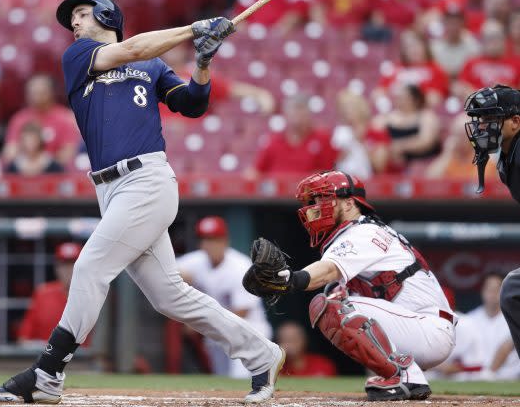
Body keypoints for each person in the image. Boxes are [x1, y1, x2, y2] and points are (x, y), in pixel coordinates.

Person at [0, 0, 285, 404]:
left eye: (81, 13)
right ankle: (260, 354)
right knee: (170, 296)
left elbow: (192, 105)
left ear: (107, 14)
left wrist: (202, 62)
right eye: (71, 17)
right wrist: (194, 29)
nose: (74, 22)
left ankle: (48, 372)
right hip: (109, 189)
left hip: (147, 180)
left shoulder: (153, 65)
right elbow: (131, 48)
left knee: (90, 267)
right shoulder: (79, 56)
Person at [254, 170, 456, 400]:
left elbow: (327, 270)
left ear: (349, 203)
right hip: (413, 326)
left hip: (428, 329)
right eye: (315, 200)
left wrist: (288, 278)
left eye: (324, 198)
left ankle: (405, 375)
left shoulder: (364, 231)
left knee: (332, 305)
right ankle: (399, 372)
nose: (317, 206)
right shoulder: (357, 231)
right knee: (334, 294)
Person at [176, 216, 273, 378]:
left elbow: (241, 312)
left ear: (225, 241)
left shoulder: (241, 266)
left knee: (240, 380)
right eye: (205, 239)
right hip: (218, 333)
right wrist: (181, 280)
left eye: (214, 239)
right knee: (223, 382)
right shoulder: (198, 260)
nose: (209, 245)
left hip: (248, 332)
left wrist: (198, 322)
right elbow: (168, 272)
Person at [464, 85, 520, 358]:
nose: (482, 127)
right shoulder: (507, 158)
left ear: (515, 121)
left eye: (490, 120)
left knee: (511, 289)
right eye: (481, 120)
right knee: (513, 291)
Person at [245, 94, 337, 179]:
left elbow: (330, 173)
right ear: (286, 114)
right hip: (276, 194)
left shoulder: (323, 139)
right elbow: (255, 172)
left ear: (309, 114)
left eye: (301, 110)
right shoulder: (272, 141)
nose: (298, 116)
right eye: (294, 111)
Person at [3, 74, 80, 167]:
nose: (36, 96)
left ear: (52, 93)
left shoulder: (65, 118)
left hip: (55, 172)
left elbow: (69, 152)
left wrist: (45, 164)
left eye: (41, 92)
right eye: (33, 92)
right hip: (24, 171)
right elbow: (10, 152)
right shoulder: (19, 119)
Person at [17, 243, 82, 343]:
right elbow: (24, 339)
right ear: (57, 268)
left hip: (83, 357)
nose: (69, 270)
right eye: (64, 265)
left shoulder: (94, 295)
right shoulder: (43, 294)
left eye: (73, 264)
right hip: (49, 356)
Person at [372, 83, 441, 173]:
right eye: (398, 98)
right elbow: (373, 134)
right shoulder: (387, 118)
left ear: (416, 99)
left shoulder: (426, 116)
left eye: (404, 98)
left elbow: (426, 141)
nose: (400, 101)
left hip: (422, 162)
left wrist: (400, 146)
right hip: (393, 162)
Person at [464, 273, 520, 379]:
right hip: (475, 378)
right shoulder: (470, 318)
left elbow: (506, 347)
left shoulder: (515, 315)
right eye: (489, 289)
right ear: (482, 291)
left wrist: (490, 372)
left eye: (496, 289)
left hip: (509, 378)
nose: (492, 294)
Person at [455, 20, 520, 100]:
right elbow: (460, 87)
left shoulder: (516, 62)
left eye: (497, 37)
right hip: (477, 107)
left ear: (504, 39)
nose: (493, 42)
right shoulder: (472, 62)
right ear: (482, 40)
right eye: (488, 37)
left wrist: (508, 90)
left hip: (508, 108)